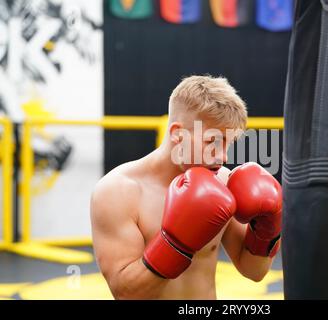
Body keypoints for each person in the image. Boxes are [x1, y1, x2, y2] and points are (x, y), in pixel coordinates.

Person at [90, 75, 282, 299]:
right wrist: (175, 244)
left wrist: (267, 229)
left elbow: (254, 271)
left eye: (228, 143)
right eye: (213, 141)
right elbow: (127, 293)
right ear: (177, 134)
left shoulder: (223, 183)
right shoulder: (117, 192)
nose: (223, 155)